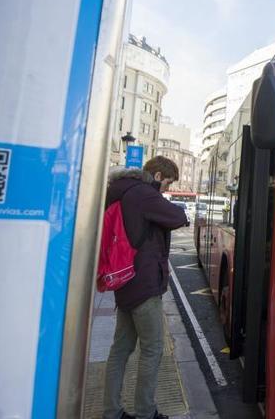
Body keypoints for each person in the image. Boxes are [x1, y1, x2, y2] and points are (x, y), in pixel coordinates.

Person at [102, 156, 189, 419]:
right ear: (159, 177)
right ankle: (145, 412)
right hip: (143, 283)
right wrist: (160, 197)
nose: (166, 189)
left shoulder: (119, 190)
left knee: (120, 349)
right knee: (152, 349)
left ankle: (112, 412)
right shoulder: (143, 193)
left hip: (125, 279)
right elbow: (177, 216)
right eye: (167, 183)